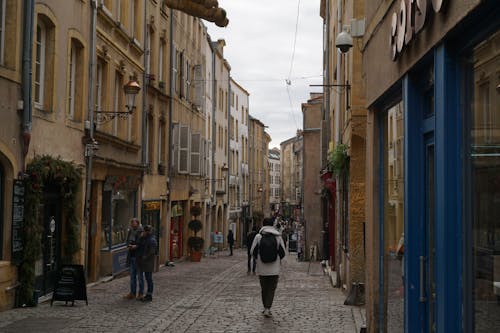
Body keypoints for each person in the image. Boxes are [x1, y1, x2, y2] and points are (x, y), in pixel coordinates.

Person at [250, 217, 286, 318]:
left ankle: (265, 307)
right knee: (271, 289)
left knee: (264, 288)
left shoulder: (258, 236)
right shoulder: (278, 237)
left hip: (262, 268)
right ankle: (268, 308)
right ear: (272, 225)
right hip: (274, 269)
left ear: (263, 225)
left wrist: (258, 260)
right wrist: (278, 260)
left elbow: (252, 251)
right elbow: (283, 252)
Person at [124, 218, 144, 300]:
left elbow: (143, 244)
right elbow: (127, 241)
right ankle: (132, 293)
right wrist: (128, 245)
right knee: (132, 276)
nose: (132, 224)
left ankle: (140, 293)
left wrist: (136, 246)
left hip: (138, 257)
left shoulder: (141, 232)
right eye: (131, 223)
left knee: (140, 276)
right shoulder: (130, 231)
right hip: (131, 256)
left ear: (137, 223)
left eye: (134, 223)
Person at [136, 225, 157, 302]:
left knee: (149, 279)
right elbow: (139, 244)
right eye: (144, 231)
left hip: (148, 263)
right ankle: (144, 294)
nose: (144, 232)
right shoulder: (144, 238)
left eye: (145, 231)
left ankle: (149, 295)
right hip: (142, 262)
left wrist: (144, 257)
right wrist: (141, 237)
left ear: (148, 231)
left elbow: (152, 252)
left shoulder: (152, 240)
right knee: (144, 278)